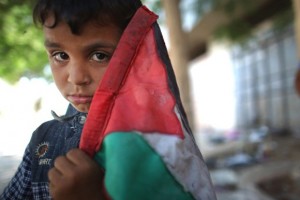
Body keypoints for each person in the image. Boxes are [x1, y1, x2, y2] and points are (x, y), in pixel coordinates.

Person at [1, 0, 217, 199]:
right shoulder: (43, 141)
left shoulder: (154, 145)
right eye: (60, 55)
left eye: (99, 55)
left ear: (135, 55)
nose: (76, 77)